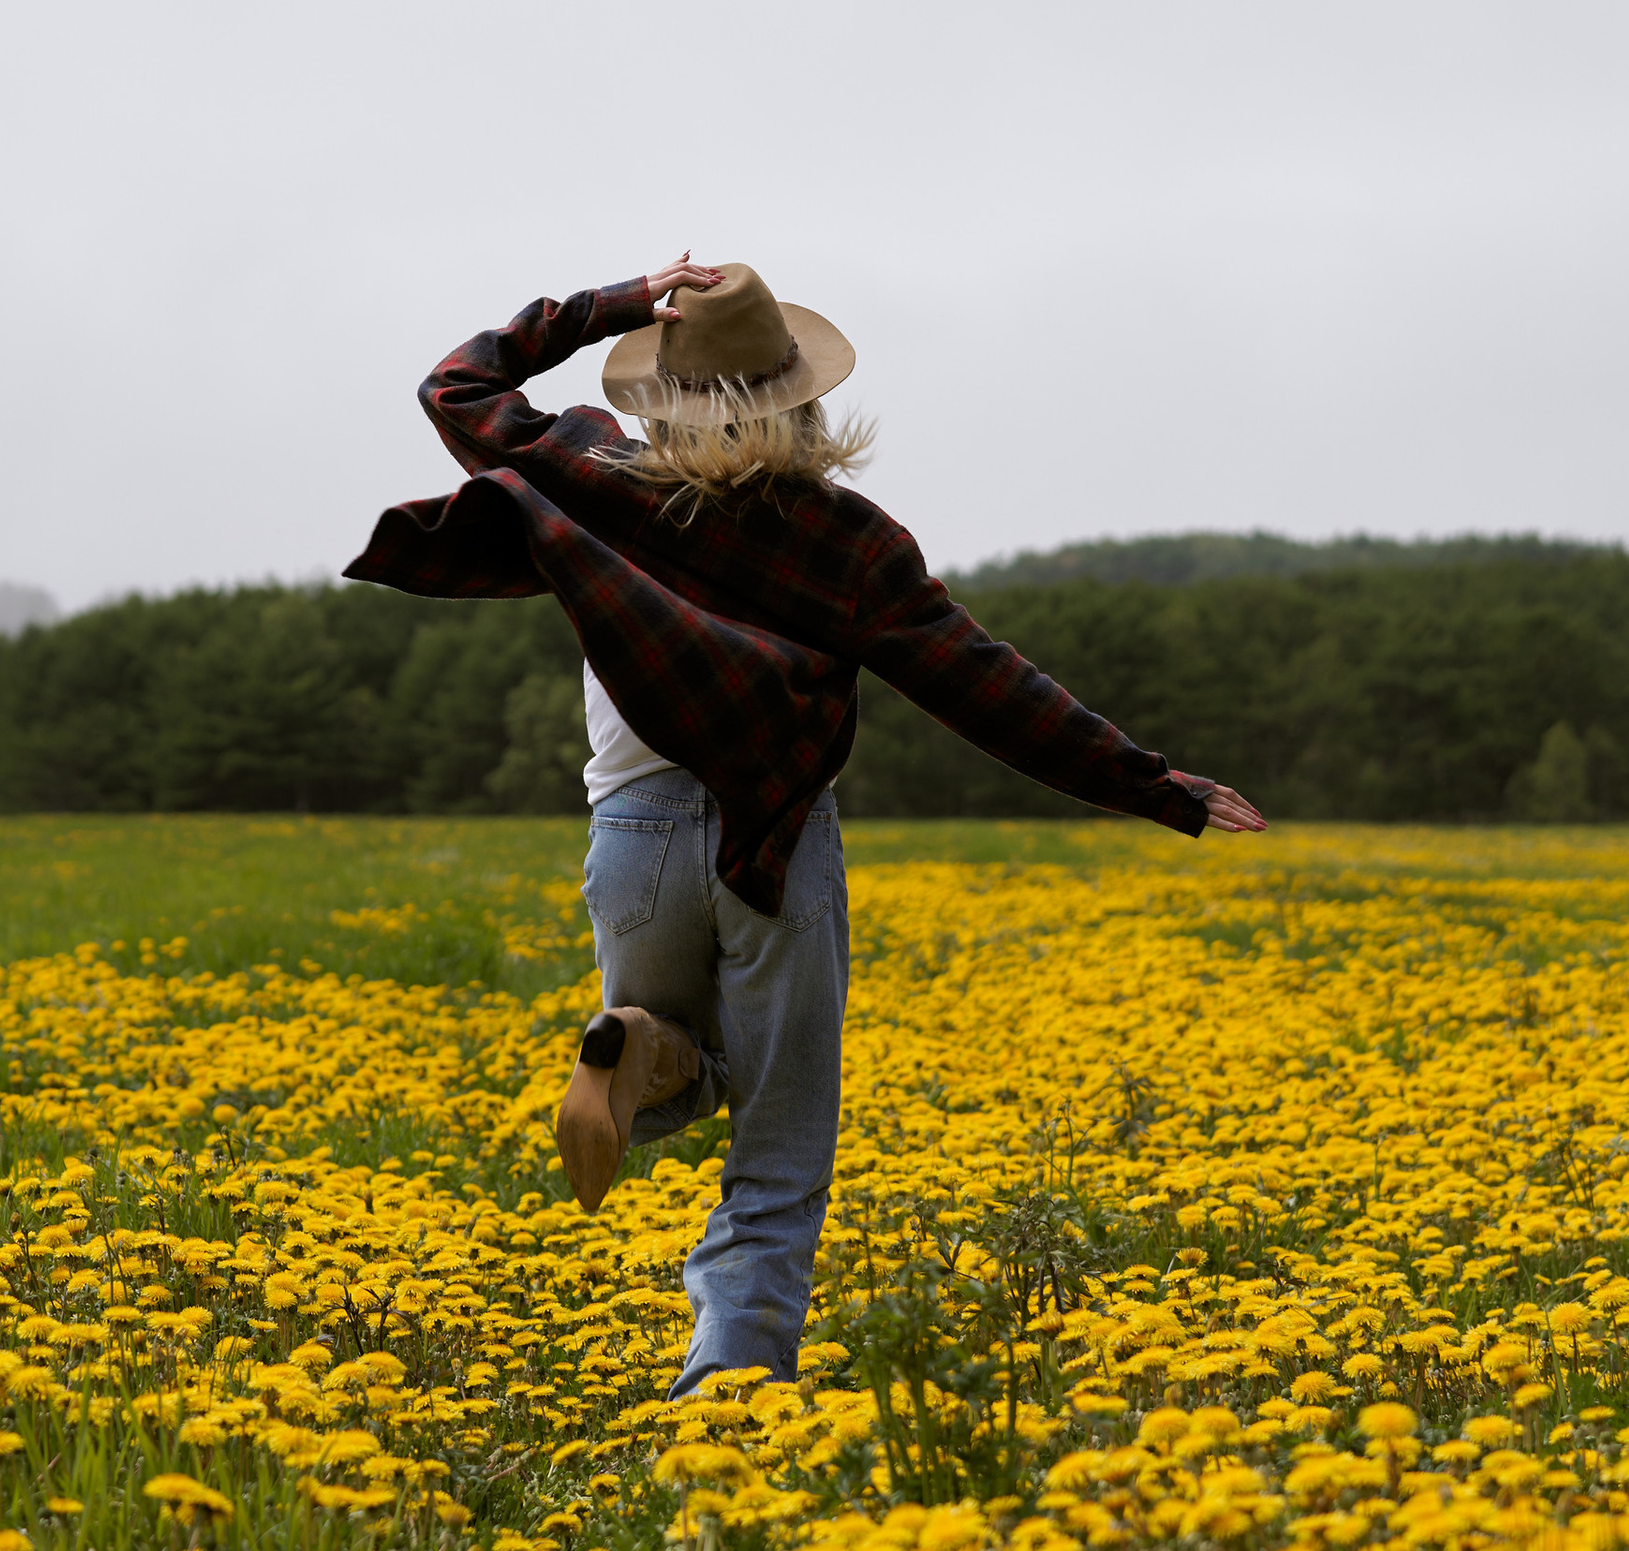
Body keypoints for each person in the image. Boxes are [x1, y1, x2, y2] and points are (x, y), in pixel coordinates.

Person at [346, 258, 1265, 1395]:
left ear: (658, 392)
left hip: (629, 837)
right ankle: (729, 1388)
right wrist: (1155, 786)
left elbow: (455, 384)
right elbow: (988, 687)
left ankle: (634, 1045)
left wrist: (619, 303)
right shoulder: (850, 543)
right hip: (774, 845)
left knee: (676, 1076)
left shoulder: (589, 466)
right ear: (801, 397)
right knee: (776, 1149)